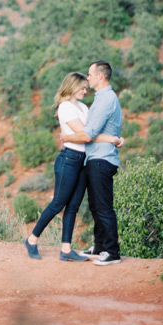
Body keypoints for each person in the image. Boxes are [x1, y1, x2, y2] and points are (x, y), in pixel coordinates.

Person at [24, 72, 123, 262]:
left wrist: (112, 137)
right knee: (58, 203)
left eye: (86, 87)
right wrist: (112, 139)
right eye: (82, 88)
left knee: (73, 206)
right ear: (72, 86)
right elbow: (86, 134)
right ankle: (32, 239)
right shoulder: (65, 108)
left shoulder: (84, 107)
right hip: (68, 159)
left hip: (83, 160)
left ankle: (66, 249)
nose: (86, 91)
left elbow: (92, 132)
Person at [60, 60, 124, 266]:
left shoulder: (106, 99)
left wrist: (67, 138)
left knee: (103, 206)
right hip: (95, 157)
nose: (87, 78)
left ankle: (112, 251)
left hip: (102, 158)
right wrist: (114, 138)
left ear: (100, 76)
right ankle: (100, 245)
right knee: (96, 205)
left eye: (90, 74)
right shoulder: (101, 99)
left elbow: (89, 134)